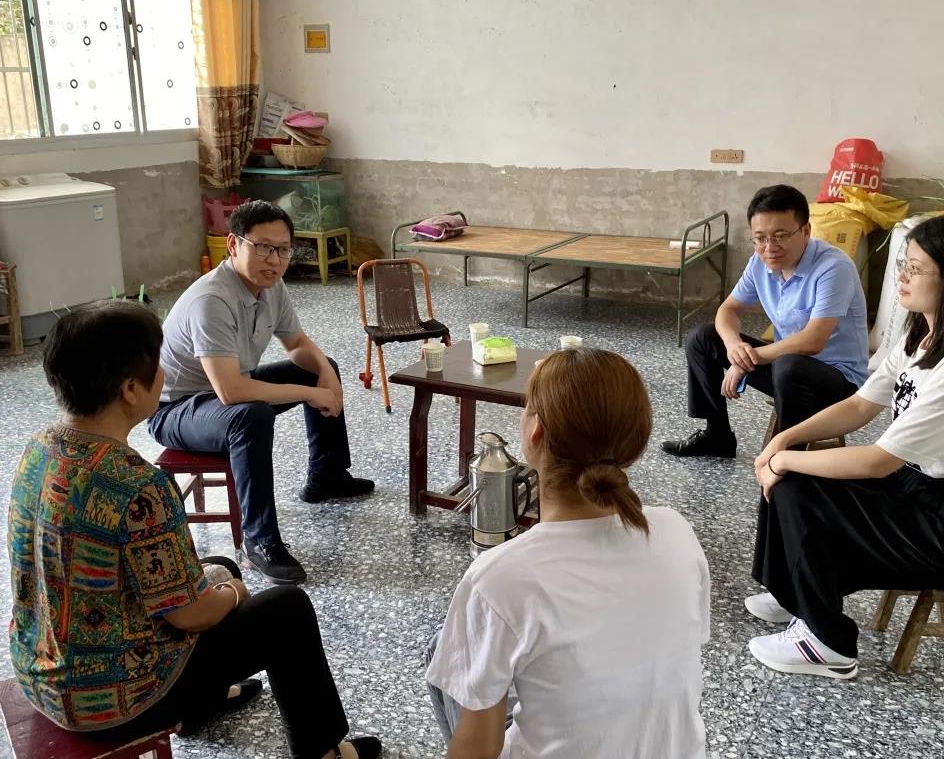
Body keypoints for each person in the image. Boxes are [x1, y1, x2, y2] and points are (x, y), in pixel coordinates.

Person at [8, 301, 381, 758]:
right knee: (286, 609)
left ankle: (203, 702)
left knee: (219, 563)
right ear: (130, 389)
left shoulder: (38, 450)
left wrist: (218, 582)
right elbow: (191, 616)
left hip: (42, 675)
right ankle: (324, 752)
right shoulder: (138, 486)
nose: (165, 374)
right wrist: (233, 594)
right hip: (112, 698)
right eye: (158, 364)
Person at [746, 213, 944, 679]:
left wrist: (784, 459)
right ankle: (796, 595)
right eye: (903, 264)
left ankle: (827, 643)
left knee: (795, 484)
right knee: (792, 477)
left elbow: (878, 461)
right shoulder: (923, 334)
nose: (902, 277)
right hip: (917, 489)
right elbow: (860, 405)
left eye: (915, 268)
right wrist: (784, 440)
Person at [425, 348, 711, 759]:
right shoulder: (675, 530)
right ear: (636, 441)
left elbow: (478, 750)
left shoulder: (500, 578)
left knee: (446, 646)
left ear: (535, 431)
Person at [148, 200, 373, 584]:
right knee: (251, 415)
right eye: (263, 247)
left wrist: (324, 374)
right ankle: (260, 540)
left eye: (283, 249)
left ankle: (328, 476)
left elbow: (297, 343)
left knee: (320, 367)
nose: (274, 260)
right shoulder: (212, 300)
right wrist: (310, 395)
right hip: (178, 409)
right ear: (234, 245)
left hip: (226, 390)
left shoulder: (271, 286)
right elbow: (231, 391)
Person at [662, 184, 868, 458]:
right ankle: (717, 435)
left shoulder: (833, 267)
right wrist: (734, 347)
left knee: (789, 365)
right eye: (760, 238)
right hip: (786, 371)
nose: (769, 248)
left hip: (838, 382)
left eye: (781, 236)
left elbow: (813, 340)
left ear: (806, 231)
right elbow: (728, 310)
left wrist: (749, 359)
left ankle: (787, 459)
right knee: (702, 338)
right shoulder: (760, 262)